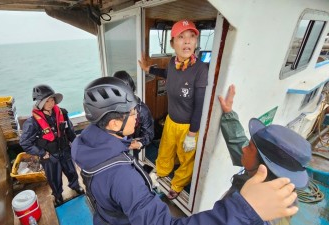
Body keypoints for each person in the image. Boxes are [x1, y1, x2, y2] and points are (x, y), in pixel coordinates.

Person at [72, 77, 299, 225]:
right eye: (131, 113)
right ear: (113, 124)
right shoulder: (124, 177)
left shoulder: (87, 145)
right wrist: (245, 210)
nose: (137, 116)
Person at [218, 84, 312, 225]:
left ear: (264, 168)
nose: (244, 149)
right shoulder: (271, 178)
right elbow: (242, 148)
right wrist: (229, 114)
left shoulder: (265, 218)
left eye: (249, 147)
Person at [138, 19, 208, 199]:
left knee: (186, 160)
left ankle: (177, 185)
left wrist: (192, 134)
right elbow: (167, 73)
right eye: (181, 37)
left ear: (195, 42)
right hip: (171, 121)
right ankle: (161, 172)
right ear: (172, 43)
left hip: (188, 127)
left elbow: (200, 105)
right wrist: (149, 69)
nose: (187, 41)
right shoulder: (172, 63)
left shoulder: (200, 69)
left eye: (192, 37)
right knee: (165, 150)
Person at [20, 84, 84, 207]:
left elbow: (69, 130)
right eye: (47, 101)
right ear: (39, 103)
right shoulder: (32, 122)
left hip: (65, 150)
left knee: (71, 171)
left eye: (52, 99)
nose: (51, 103)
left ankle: (75, 186)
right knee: (54, 178)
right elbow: (25, 142)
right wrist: (41, 153)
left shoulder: (62, 113)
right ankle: (58, 195)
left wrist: (75, 144)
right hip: (49, 155)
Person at [113, 70, 154, 160]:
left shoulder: (142, 110)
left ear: (131, 89)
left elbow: (149, 134)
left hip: (131, 146)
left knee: (131, 163)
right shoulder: (111, 106)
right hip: (113, 145)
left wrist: (139, 143)